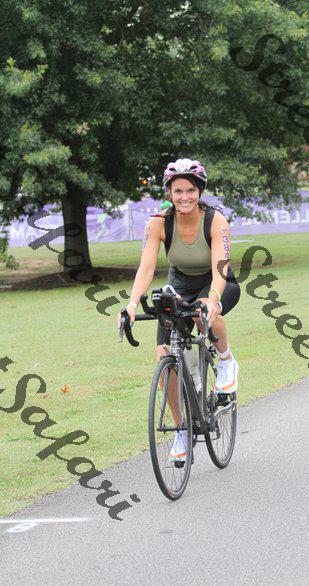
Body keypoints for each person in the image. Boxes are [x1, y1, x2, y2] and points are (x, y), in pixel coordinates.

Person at [118, 158, 240, 461]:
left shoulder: (215, 220)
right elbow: (146, 268)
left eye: (190, 190)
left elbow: (220, 268)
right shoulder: (158, 223)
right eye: (178, 191)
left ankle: (226, 361)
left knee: (204, 311)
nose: (184, 197)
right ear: (169, 194)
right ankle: (181, 429)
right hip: (180, 283)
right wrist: (131, 304)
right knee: (164, 355)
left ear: (199, 192)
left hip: (217, 280)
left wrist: (212, 298)